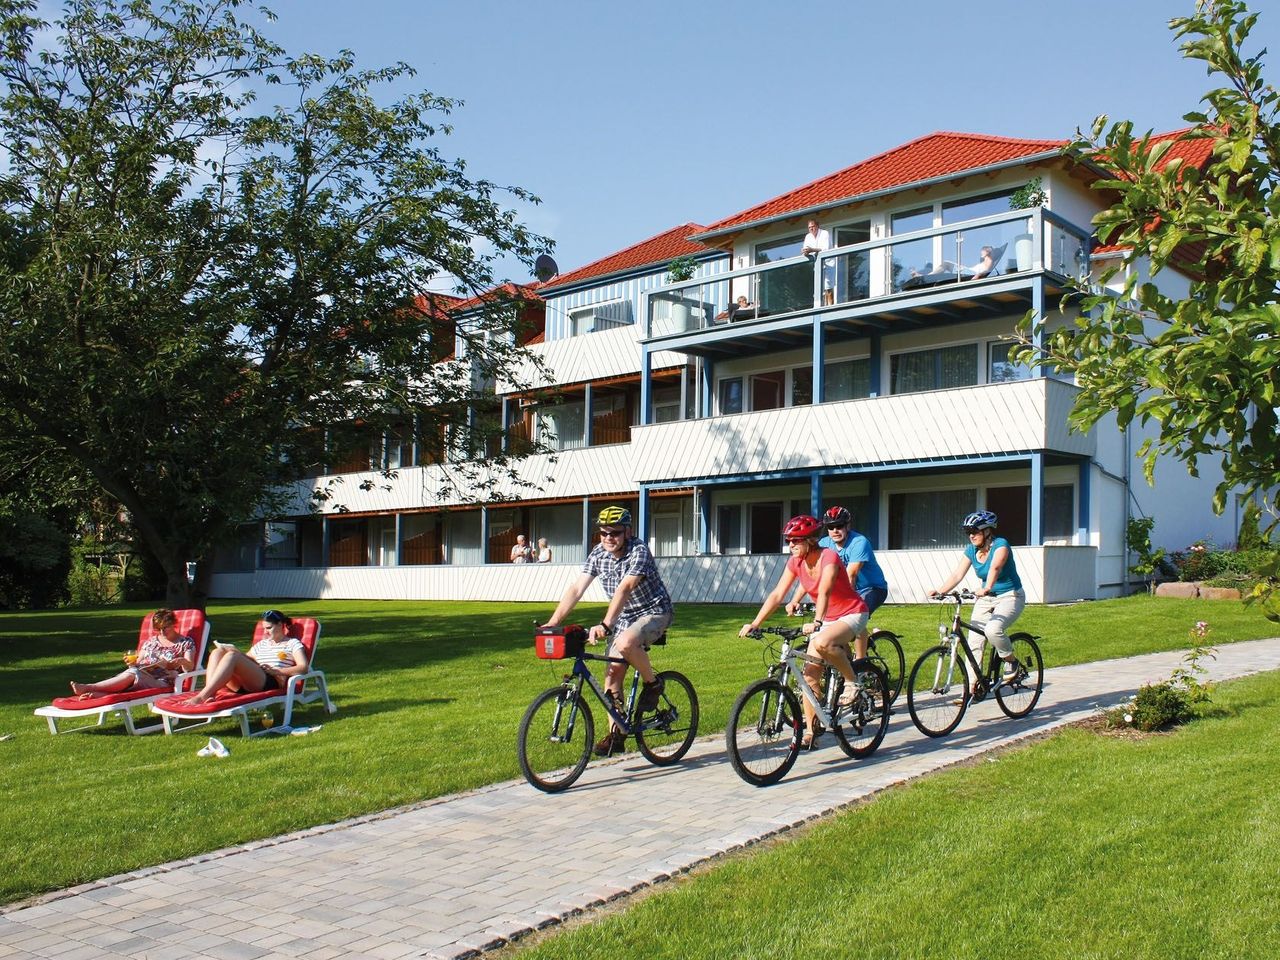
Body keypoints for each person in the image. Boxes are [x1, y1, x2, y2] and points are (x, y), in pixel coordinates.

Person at [542, 506, 673, 757]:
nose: (608, 538)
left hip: (654, 611)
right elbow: (577, 588)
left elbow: (625, 589)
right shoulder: (598, 554)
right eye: (603, 533)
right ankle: (617, 735)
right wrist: (553, 621)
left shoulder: (639, 551)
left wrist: (605, 625)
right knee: (612, 675)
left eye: (614, 533)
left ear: (627, 532)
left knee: (625, 644)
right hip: (624, 616)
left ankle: (653, 685)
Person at [740, 515, 868, 750]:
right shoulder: (796, 562)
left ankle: (853, 683)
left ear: (810, 540)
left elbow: (826, 589)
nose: (791, 546)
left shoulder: (828, 556)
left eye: (796, 541)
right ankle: (811, 731)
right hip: (827, 618)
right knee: (809, 677)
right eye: (789, 541)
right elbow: (778, 594)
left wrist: (817, 621)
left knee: (822, 643)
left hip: (852, 613)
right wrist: (755, 623)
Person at [930, 510, 1026, 694]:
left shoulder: (1001, 545)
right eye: (968, 532)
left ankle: (1011, 662)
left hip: (1010, 596)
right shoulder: (971, 550)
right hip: (986, 598)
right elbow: (958, 574)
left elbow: (995, 567)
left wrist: (987, 586)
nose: (971, 535)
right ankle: (973, 689)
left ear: (988, 531)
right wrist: (941, 591)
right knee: (974, 642)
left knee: (992, 630)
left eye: (975, 531)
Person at [786, 506, 888, 662]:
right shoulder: (824, 544)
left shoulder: (859, 542)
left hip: (872, 588)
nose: (835, 530)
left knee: (853, 618)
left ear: (848, 525)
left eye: (839, 526)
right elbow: (811, 575)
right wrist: (795, 600)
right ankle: (846, 659)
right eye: (830, 527)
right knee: (836, 627)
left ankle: (861, 664)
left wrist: (845, 605)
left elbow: (851, 575)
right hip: (844, 590)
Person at [187, 609, 310, 704]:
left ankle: (202, 696)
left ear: (280, 625)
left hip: (270, 681)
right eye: (264, 629)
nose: (265, 632)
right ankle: (210, 695)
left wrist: (276, 671)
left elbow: (303, 667)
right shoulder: (262, 644)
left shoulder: (292, 643)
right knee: (217, 652)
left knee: (233, 656)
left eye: (269, 628)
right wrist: (232, 650)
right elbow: (246, 661)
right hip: (248, 682)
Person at [69, 608, 196, 697]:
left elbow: (190, 667)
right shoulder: (151, 642)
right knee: (135, 671)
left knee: (134, 673)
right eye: (158, 629)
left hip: (163, 681)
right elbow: (138, 663)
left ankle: (90, 687)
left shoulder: (185, 642)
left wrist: (182, 661)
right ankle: (100, 694)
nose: (162, 632)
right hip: (141, 676)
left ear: (173, 624)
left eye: (165, 628)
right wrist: (133, 662)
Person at [801, 219, 835, 304]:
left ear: (817, 226)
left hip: (828, 263)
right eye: (809, 227)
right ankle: (821, 306)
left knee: (828, 287)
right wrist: (805, 252)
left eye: (813, 226)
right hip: (816, 265)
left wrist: (812, 249)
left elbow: (825, 249)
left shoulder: (824, 233)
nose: (811, 229)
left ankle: (830, 307)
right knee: (819, 288)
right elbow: (806, 249)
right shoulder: (808, 237)